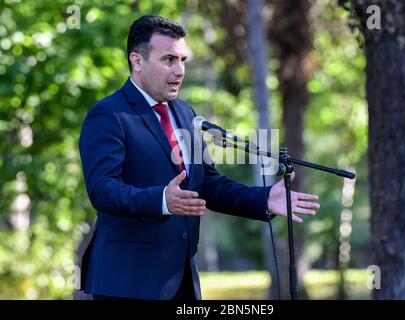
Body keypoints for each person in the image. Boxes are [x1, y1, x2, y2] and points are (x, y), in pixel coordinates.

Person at [78, 15, 320, 300]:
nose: (179, 71)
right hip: (127, 282)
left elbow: (207, 185)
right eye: (169, 59)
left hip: (181, 282)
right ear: (137, 60)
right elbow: (103, 189)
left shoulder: (184, 113)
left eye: (183, 60)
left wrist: (263, 198)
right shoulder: (109, 115)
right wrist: (161, 200)